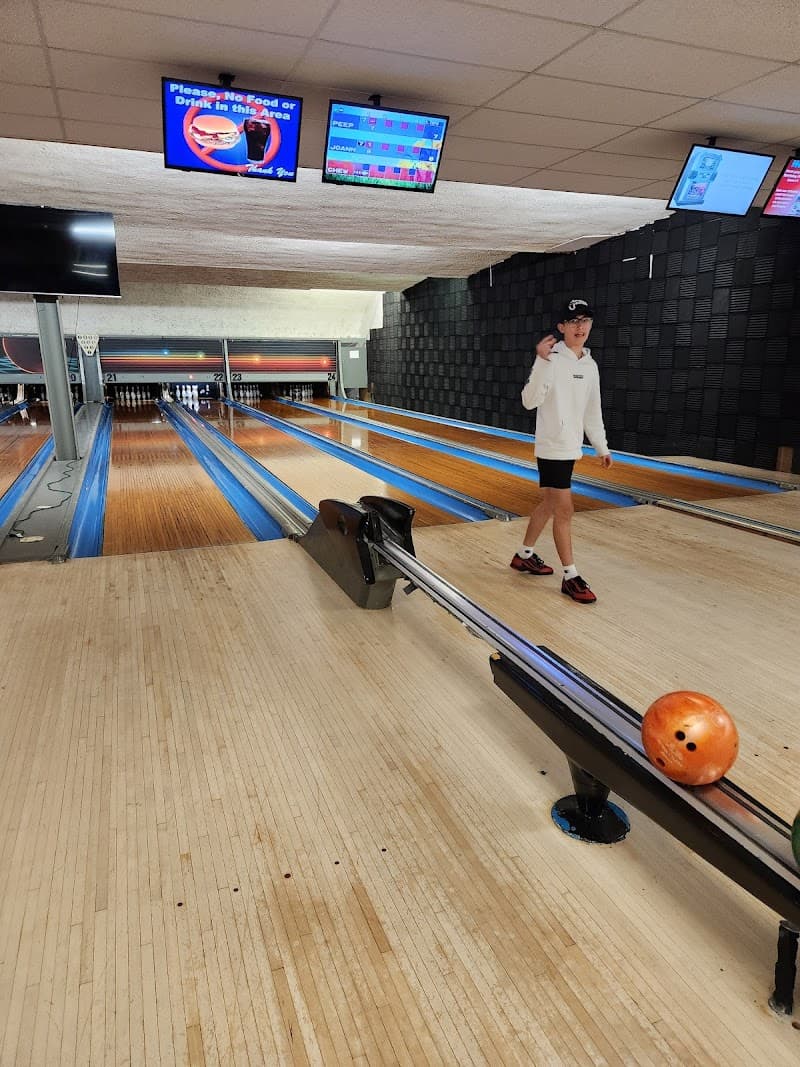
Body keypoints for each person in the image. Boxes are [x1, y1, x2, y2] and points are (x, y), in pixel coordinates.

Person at [510, 298, 612, 604]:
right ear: (562, 327)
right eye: (574, 321)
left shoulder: (590, 366)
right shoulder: (551, 359)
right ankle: (570, 576)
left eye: (585, 321)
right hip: (552, 447)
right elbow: (529, 401)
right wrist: (541, 361)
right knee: (564, 509)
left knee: (548, 505)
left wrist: (601, 446)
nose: (580, 327)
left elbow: (592, 410)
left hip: (571, 448)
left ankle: (523, 556)